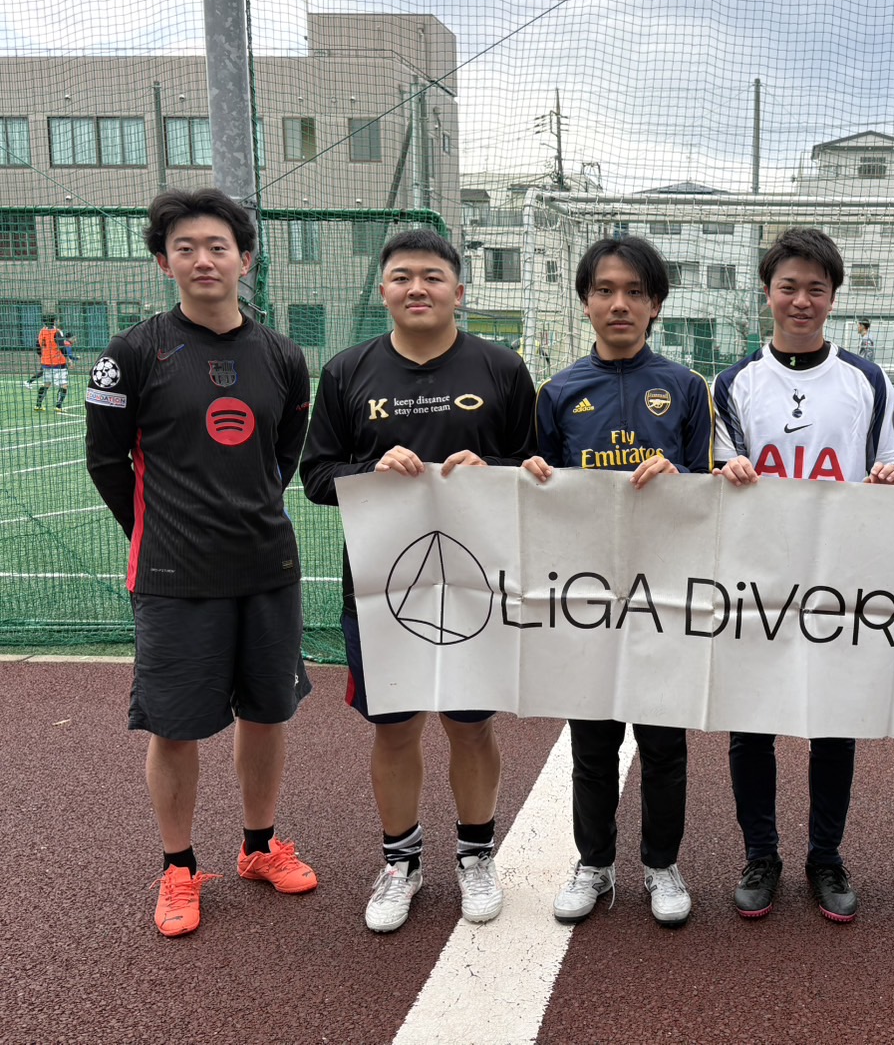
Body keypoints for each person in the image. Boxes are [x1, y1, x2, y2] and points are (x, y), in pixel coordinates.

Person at [84, 188, 317, 938]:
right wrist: (156, 532)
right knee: (175, 726)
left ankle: (258, 846)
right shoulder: (131, 354)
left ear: (245, 259)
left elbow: (282, 455)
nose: (203, 259)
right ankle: (178, 867)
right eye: (185, 248)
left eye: (218, 246)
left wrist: (247, 512)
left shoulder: (282, 356)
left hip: (267, 568)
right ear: (164, 263)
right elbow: (106, 462)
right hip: (174, 576)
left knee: (267, 713)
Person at [300, 229, 535, 933]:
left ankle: (475, 856)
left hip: (476, 585)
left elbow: (536, 468)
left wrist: (492, 469)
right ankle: (400, 863)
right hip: (381, 590)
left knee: (470, 726)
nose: (417, 288)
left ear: (458, 291)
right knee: (396, 729)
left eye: (432, 276)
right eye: (402, 276)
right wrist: (368, 472)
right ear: (383, 292)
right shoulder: (347, 372)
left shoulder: (501, 368)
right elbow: (315, 476)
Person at [713, 226, 894, 923]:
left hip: (839, 577)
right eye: (788, 287)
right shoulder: (733, 383)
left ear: (833, 297)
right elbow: (718, 473)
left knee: (833, 723)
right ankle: (760, 854)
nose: (801, 301)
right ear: (767, 292)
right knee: (751, 726)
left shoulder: (867, 380)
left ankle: (825, 855)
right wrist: (726, 470)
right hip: (757, 577)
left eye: (815, 289)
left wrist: (890, 480)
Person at [521, 235, 713, 927]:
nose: (619, 304)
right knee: (593, 742)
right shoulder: (558, 392)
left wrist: (680, 477)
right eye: (605, 290)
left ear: (656, 304)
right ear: (585, 302)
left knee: (663, 742)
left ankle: (661, 865)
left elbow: (709, 490)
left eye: (635, 291)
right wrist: (535, 477)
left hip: (664, 594)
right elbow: (535, 493)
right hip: (589, 597)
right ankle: (594, 864)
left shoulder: (687, 388)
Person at [32, 314, 73, 412]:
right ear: (54, 321)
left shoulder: (42, 332)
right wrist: (69, 359)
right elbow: (62, 347)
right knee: (64, 384)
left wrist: (42, 356)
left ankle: (38, 405)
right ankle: (58, 406)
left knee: (46, 383)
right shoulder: (56, 332)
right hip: (58, 362)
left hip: (46, 362)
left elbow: (37, 346)